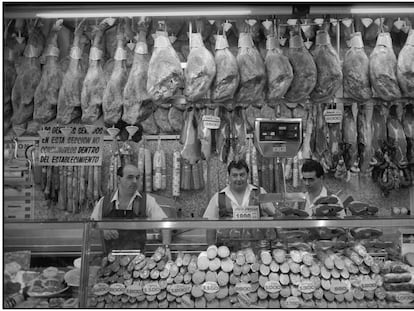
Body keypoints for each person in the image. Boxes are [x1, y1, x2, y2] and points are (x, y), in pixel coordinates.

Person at [91, 164, 171, 253]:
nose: (134, 181)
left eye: (137, 178)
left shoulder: (147, 201)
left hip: (138, 260)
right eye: (130, 177)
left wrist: (166, 248)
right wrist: (102, 231)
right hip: (110, 259)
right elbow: (91, 229)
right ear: (118, 179)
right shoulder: (104, 202)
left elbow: (165, 224)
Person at [203, 159, 276, 243]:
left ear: (247, 175)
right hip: (227, 248)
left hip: (256, 247)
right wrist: (211, 248)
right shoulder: (218, 197)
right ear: (229, 176)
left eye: (242, 175)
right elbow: (210, 226)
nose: (238, 179)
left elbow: (274, 216)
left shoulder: (260, 193)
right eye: (234, 175)